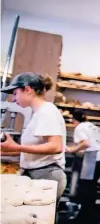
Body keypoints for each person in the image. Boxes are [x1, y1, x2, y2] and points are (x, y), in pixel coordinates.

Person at [0, 72, 67, 200]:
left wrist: (16, 148)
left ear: (27, 90)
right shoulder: (37, 113)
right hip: (38, 174)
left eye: (15, 94)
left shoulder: (47, 111)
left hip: (47, 175)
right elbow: (36, 149)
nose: (13, 99)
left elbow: (55, 147)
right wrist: (7, 151)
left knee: (40, 220)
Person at [66, 109, 100, 224]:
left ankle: (85, 219)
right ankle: (91, 217)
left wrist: (71, 149)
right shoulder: (92, 125)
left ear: (74, 120)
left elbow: (85, 144)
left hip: (92, 159)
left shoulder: (79, 127)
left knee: (86, 189)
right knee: (91, 188)